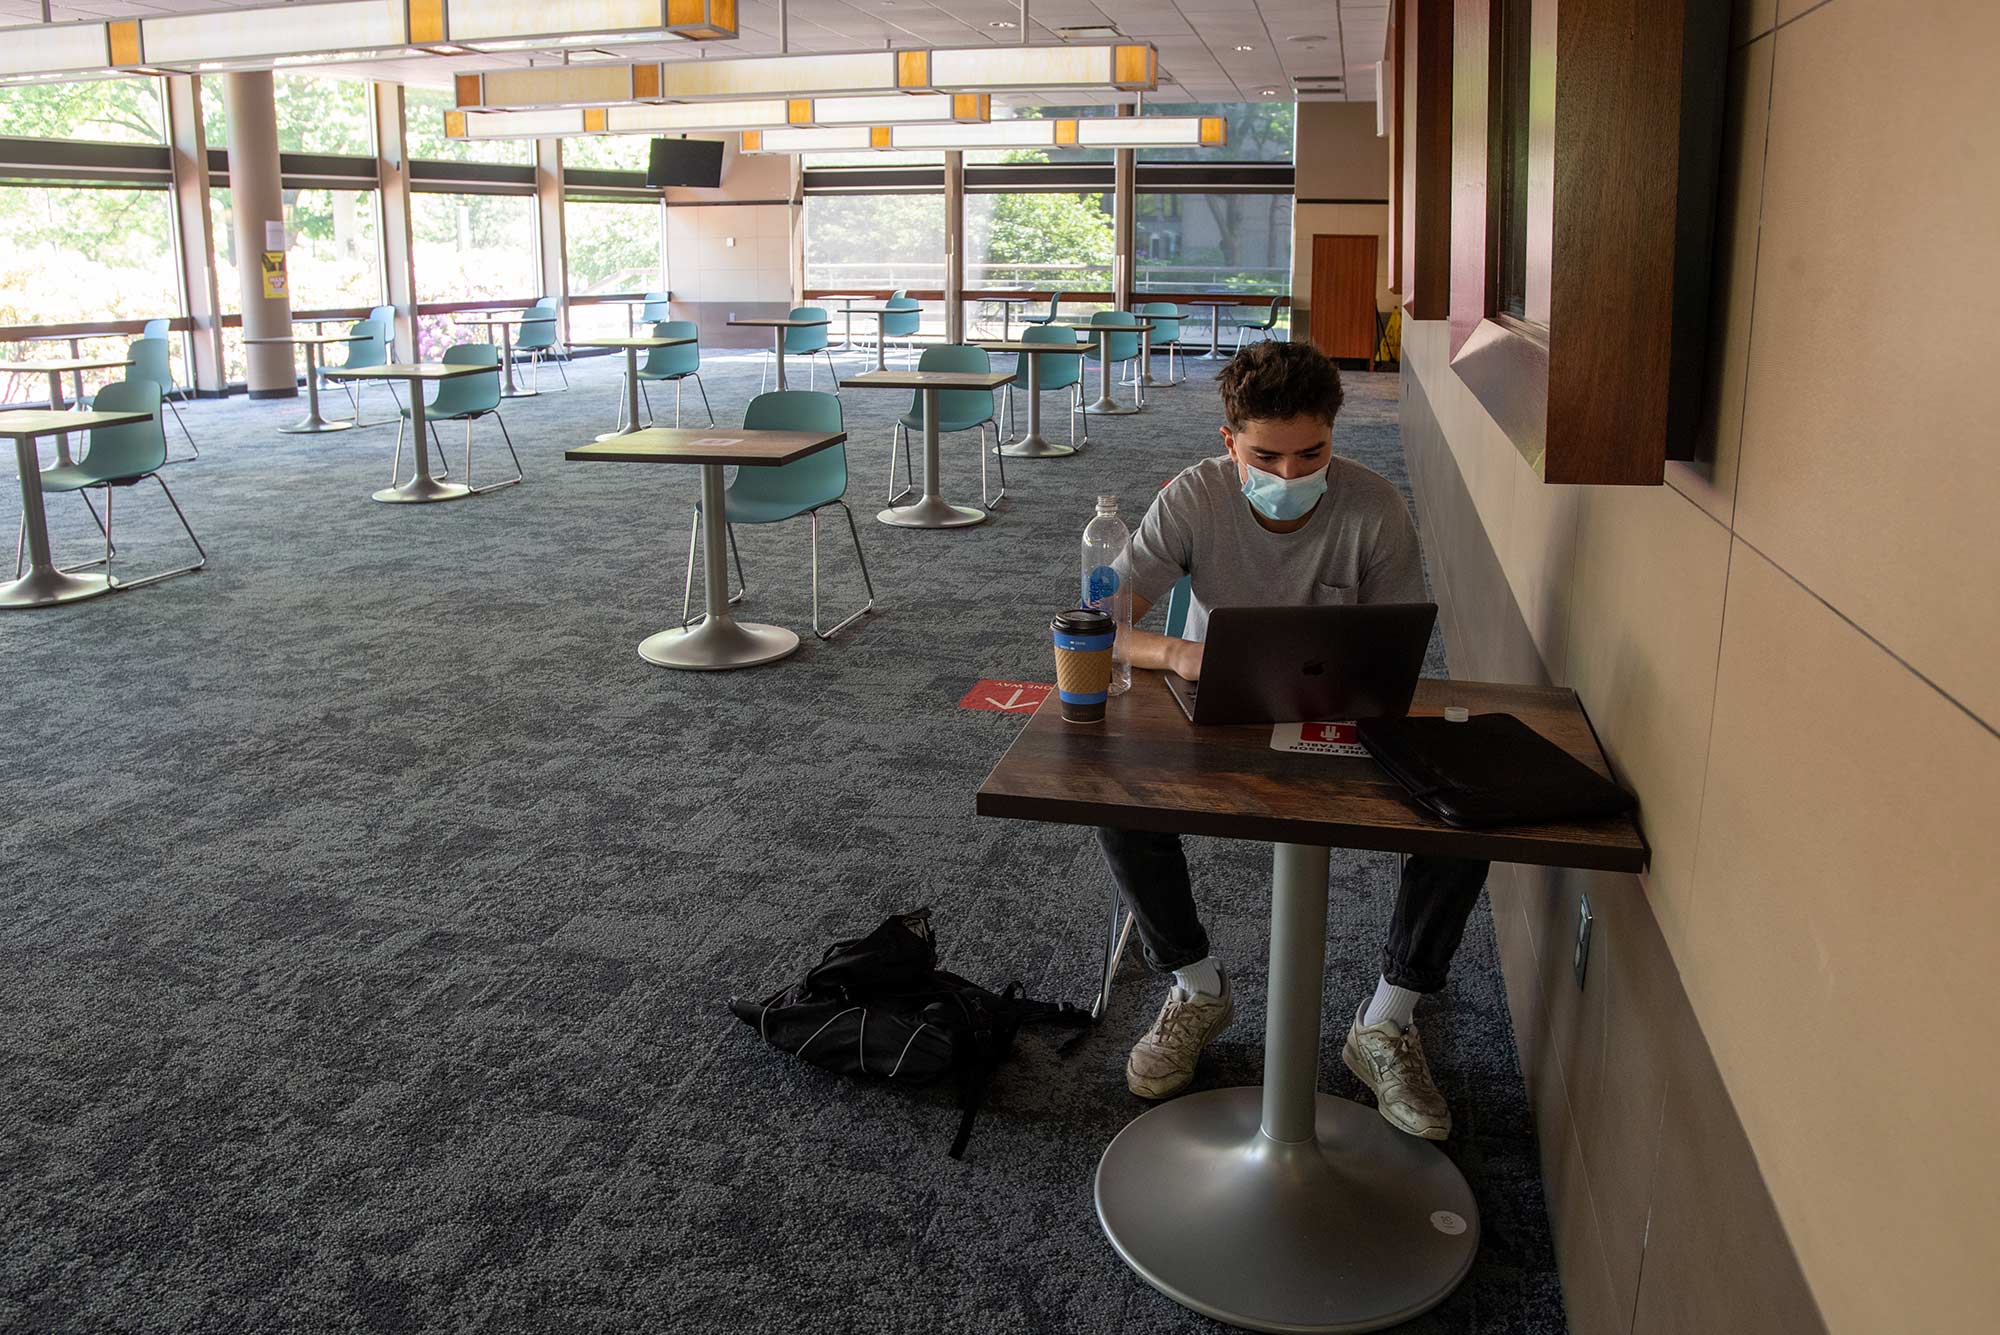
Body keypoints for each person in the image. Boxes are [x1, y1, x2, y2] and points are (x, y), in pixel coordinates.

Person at [1097, 339, 1488, 1140]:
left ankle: (1386, 1018)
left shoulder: (1374, 506)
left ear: (1335, 438)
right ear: (1228, 442)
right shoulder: (1193, 498)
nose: (1288, 474)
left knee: (1466, 814)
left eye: (1311, 453)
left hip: (1346, 716)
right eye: (1265, 455)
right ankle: (1197, 987)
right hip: (1215, 711)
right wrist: (1176, 651)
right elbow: (1098, 625)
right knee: (1115, 798)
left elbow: (1397, 649)